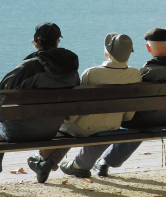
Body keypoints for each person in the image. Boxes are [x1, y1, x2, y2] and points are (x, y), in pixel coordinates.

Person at [28, 32, 141, 182]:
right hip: (111, 127)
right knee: (75, 127)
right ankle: (47, 164)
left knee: (66, 126)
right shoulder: (135, 74)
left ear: (107, 52)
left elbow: (77, 108)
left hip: (83, 127)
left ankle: (41, 160)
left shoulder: (92, 73)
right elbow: (128, 116)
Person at [93, 26, 166, 178]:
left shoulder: (149, 72)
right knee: (145, 120)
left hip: (145, 121)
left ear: (148, 48)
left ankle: (104, 162)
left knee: (136, 122)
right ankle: (106, 161)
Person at [0, 22, 79, 194]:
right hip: (51, 130)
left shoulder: (29, 67)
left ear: (36, 42)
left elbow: (0, 93)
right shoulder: (71, 70)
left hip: (20, 132)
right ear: (58, 41)